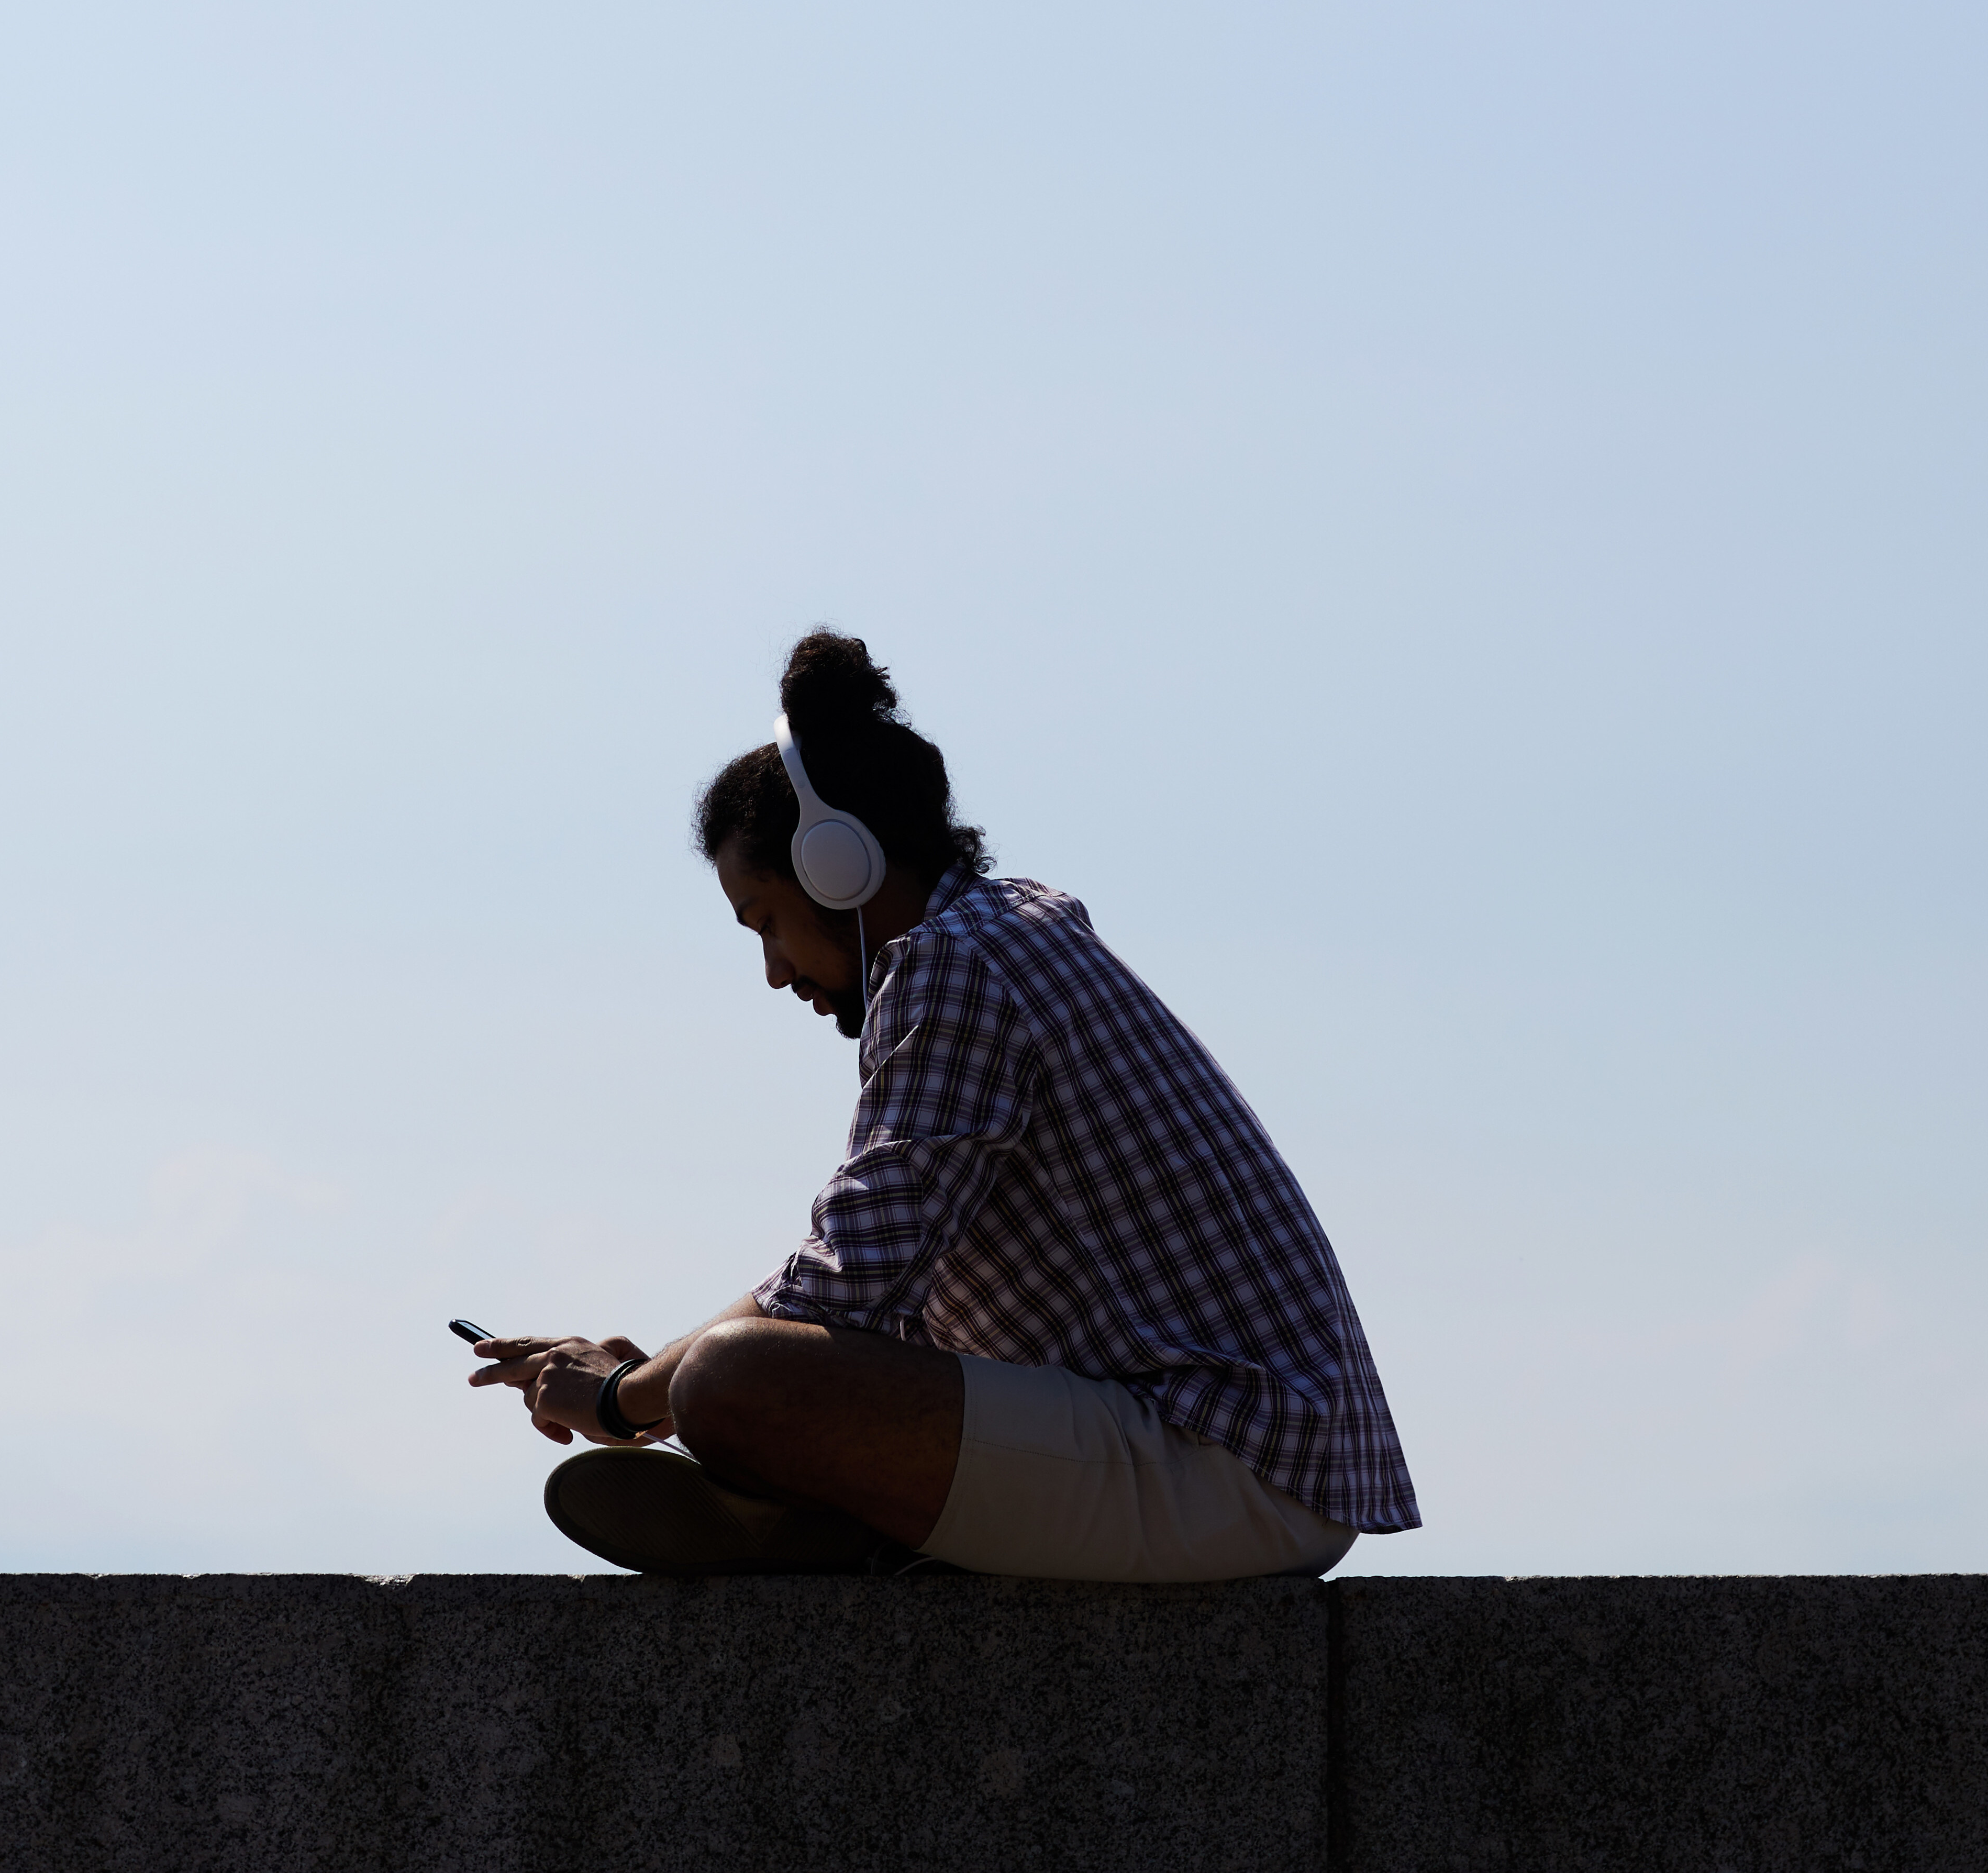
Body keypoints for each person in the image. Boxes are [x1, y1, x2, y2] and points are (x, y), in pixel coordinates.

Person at [467, 631, 1418, 1580]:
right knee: (730, 1369)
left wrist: (632, 1393)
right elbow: (876, 1310)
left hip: (1227, 1463)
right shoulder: (1004, 928)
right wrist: (666, 1370)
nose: (774, 970)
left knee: (731, 1379)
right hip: (1247, 1455)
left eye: (765, 922)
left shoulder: (952, 965)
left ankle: (833, 1520)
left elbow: (844, 1283)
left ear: (836, 864)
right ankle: (838, 1519)